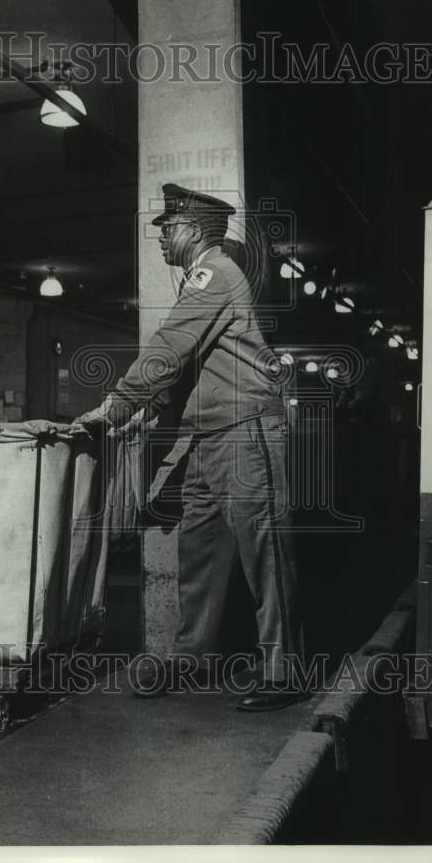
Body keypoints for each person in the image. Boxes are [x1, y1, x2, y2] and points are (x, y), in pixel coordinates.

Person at [72, 183, 305, 711]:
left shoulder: (214, 272)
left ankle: (283, 669)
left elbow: (171, 345)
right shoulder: (201, 280)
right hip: (205, 436)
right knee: (198, 551)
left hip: (245, 430)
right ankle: (193, 656)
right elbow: (192, 366)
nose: (160, 237)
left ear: (194, 232)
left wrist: (120, 404)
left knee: (265, 553)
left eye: (168, 227)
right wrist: (150, 412)